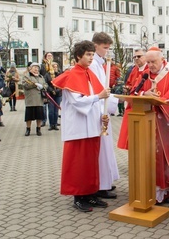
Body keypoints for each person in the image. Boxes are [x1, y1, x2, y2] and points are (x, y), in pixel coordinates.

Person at [118, 47, 169, 203]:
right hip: (146, 124)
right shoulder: (144, 74)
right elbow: (133, 94)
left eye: (153, 62)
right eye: (148, 62)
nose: (150, 65)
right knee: (150, 157)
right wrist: (143, 94)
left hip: (165, 124)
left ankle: (168, 190)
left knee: (165, 158)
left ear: (162, 59)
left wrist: (161, 102)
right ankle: (151, 190)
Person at [52, 40, 112, 212]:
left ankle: (91, 193)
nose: (91, 57)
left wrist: (103, 116)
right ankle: (79, 197)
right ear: (79, 55)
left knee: (91, 163)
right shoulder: (71, 75)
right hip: (77, 129)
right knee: (78, 164)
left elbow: (97, 101)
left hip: (92, 126)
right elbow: (78, 102)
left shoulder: (89, 74)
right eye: (88, 54)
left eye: (93, 54)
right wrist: (98, 97)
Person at [89, 32, 120, 199]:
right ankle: (100, 184)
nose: (107, 51)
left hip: (102, 107)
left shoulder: (99, 63)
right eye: (105, 48)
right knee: (101, 149)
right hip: (98, 109)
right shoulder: (93, 64)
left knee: (106, 148)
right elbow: (97, 89)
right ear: (96, 46)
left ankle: (105, 181)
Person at [22, 63, 48, 136]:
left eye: (37, 68)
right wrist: (35, 85)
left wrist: (43, 86)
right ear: (30, 68)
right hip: (30, 99)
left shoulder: (41, 77)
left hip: (39, 99)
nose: (36, 69)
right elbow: (25, 85)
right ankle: (28, 129)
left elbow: (45, 84)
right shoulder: (26, 76)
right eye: (34, 67)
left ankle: (38, 129)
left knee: (39, 116)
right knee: (29, 116)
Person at [44, 62, 62, 131]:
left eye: (56, 67)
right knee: (51, 110)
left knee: (56, 110)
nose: (55, 68)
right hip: (50, 94)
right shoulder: (47, 75)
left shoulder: (59, 74)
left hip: (58, 94)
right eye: (53, 67)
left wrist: (56, 91)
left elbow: (61, 83)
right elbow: (45, 84)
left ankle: (55, 124)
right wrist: (51, 90)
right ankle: (51, 124)